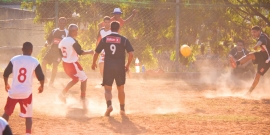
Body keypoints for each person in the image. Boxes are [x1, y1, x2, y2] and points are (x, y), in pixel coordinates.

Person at [92, 21, 134, 116]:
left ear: (110, 28)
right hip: (119, 67)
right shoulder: (124, 39)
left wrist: (93, 63)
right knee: (121, 88)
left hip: (108, 67)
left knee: (107, 89)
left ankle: (109, 106)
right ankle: (122, 109)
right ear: (119, 29)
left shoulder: (105, 39)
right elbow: (131, 54)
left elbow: (96, 53)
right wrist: (127, 65)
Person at [2, 42, 44, 135]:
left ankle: (1, 131)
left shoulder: (15, 59)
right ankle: (27, 133)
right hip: (26, 93)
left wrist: (6, 84)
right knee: (28, 116)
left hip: (14, 92)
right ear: (31, 51)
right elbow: (41, 76)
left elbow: (5, 73)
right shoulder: (34, 61)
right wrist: (42, 86)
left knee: (7, 113)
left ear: (22, 49)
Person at [58, 24, 94, 107]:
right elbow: (80, 52)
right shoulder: (72, 41)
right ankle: (82, 99)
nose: (77, 32)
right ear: (72, 31)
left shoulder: (63, 40)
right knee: (84, 79)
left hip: (65, 64)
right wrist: (90, 52)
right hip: (72, 64)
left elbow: (60, 50)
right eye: (76, 30)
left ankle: (62, 94)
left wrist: (66, 57)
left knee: (75, 79)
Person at [230, 26, 270, 95]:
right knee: (250, 55)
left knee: (257, 75)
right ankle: (236, 63)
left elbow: (261, 41)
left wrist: (256, 46)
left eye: (254, 32)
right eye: (252, 32)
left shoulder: (262, 36)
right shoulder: (262, 36)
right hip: (262, 55)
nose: (253, 34)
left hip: (267, 60)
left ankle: (249, 92)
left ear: (259, 31)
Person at [42, 17, 68, 86]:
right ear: (58, 23)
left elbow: (69, 43)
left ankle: (51, 81)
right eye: (61, 23)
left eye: (63, 23)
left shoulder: (66, 32)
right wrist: (46, 43)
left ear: (65, 24)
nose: (62, 24)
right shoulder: (54, 31)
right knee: (43, 62)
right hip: (51, 50)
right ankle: (45, 78)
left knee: (55, 64)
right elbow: (48, 39)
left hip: (59, 53)